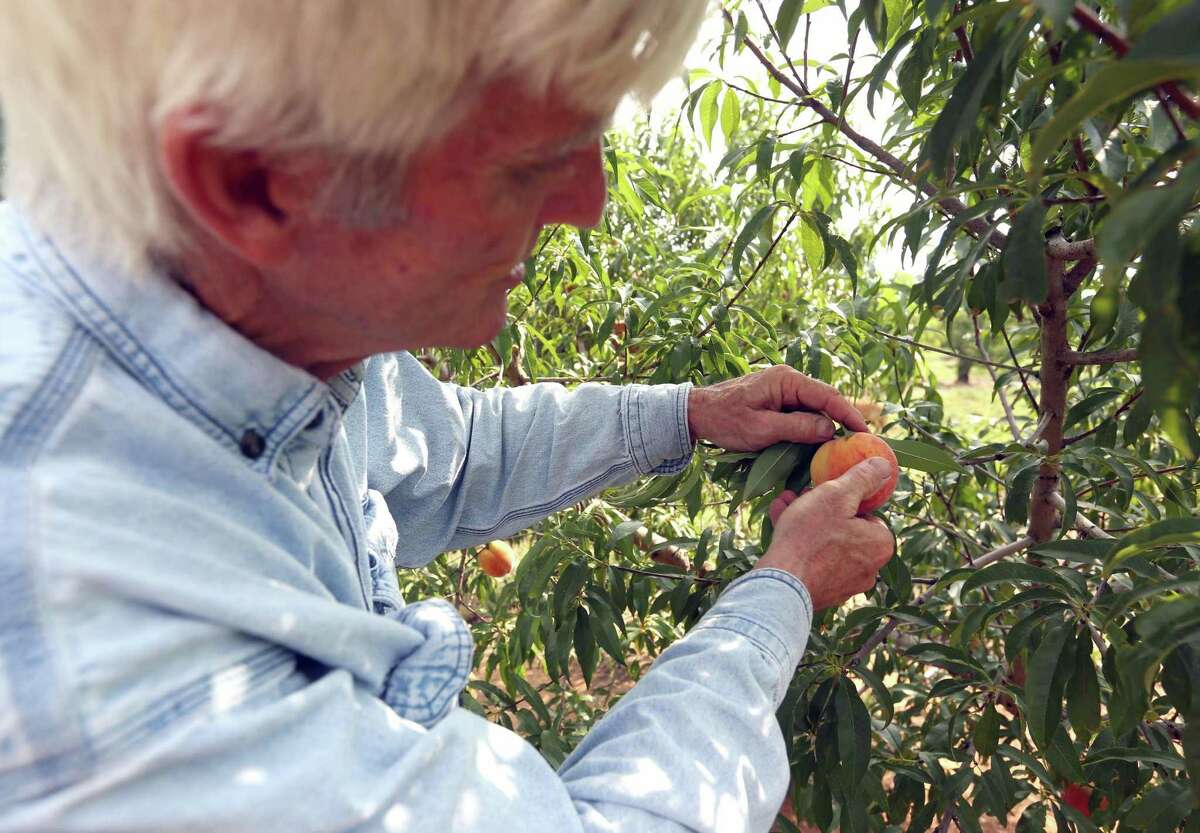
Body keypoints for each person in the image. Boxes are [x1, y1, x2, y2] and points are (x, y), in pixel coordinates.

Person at [0, 3, 895, 831]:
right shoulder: (121, 656)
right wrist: (783, 588)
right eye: (530, 162)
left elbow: (447, 452)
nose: (586, 204)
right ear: (251, 183)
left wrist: (691, 413)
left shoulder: (267, 317)